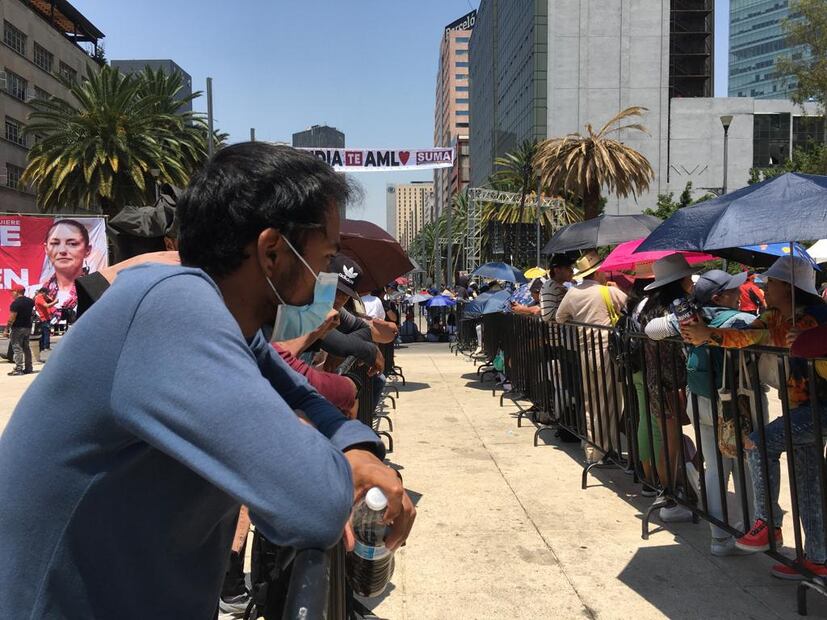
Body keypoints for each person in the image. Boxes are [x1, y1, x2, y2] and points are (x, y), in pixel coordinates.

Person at [0, 143, 415, 618]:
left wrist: (358, 451)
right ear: (273, 251)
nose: (324, 280)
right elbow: (314, 504)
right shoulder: (171, 311)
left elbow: (305, 396)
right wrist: (342, 471)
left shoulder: (227, 321)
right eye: (323, 260)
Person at [681, 255, 827, 579]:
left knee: (759, 444)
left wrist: (812, 345)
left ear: (789, 288)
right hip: (799, 410)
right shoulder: (775, 316)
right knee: (808, 484)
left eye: (771, 282)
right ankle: (818, 558)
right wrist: (708, 335)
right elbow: (746, 336)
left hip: (820, 411)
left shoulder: (819, 317)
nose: (763, 287)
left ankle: (768, 524)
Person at [645, 268, 757, 551]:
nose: (739, 295)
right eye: (734, 291)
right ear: (720, 297)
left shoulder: (691, 318)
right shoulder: (741, 320)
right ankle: (747, 530)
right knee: (745, 468)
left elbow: (650, 330)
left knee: (714, 469)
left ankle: (718, 538)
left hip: (700, 401)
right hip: (735, 406)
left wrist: (689, 320)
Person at [637, 253, 696, 522]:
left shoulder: (648, 305)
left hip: (653, 376)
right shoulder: (679, 306)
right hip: (673, 380)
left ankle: (669, 490)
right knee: (671, 440)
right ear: (680, 280)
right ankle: (672, 494)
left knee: (664, 437)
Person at [555, 250, 627, 463]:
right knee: (611, 402)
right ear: (597, 273)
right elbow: (630, 307)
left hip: (585, 351)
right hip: (607, 351)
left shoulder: (573, 293)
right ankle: (605, 450)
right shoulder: (608, 292)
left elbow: (560, 317)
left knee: (590, 401)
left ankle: (592, 448)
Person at [40, 219, 92, 322]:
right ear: (46, 249)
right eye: (55, 243)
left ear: (87, 250)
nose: (62, 251)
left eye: (72, 244)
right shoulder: (35, 292)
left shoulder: (94, 290)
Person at [5, 284, 34, 376]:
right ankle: (29, 367)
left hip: (18, 328)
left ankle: (18, 369)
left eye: (12, 292)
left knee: (17, 348)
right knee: (26, 348)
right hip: (27, 327)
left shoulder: (16, 303)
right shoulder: (30, 301)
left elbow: (12, 318)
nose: (12, 294)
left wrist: (6, 329)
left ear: (17, 292)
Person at [541, 255, 574, 324]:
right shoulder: (549, 287)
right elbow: (547, 315)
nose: (572, 271)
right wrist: (572, 310)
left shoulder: (561, 287)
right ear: (557, 270)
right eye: (568, 268)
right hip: (560, 333)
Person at [33, 287, 57, 352]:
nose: (47, 295)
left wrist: (48, 297)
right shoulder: (39, 298)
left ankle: (44, 347)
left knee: (45, 332)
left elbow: (50, 300)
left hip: (46, 317)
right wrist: (55, 302)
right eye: (46, 293)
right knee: (46, 332)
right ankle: (45, 346)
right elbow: (47, 305)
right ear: (43, 292)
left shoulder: (42, 297)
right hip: (43, 318)